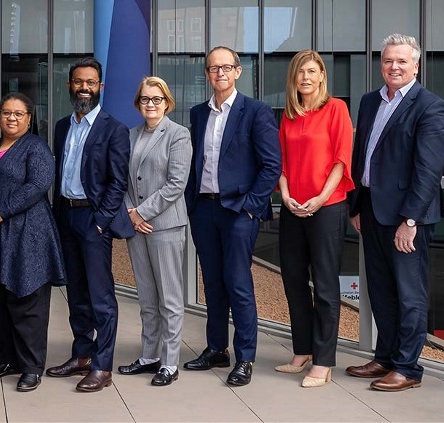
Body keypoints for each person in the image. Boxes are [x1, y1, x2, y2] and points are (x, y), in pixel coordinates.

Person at [345, 34, 444, 392]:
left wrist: (410, 221)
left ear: (416, 65)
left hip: (407, 219)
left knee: (409, 294)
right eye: (389, 61)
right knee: (381, 291)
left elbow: (428, 171)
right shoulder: (369, 101)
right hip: (372, 211)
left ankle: (407, 368)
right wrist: (356, 206)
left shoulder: (431, 106)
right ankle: (385, 357)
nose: (394, 67)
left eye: (402, 61)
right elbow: (362, 156)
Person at [182, 46, 281, 387]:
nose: (219, 73)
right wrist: (191, 203)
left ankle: (246, 357)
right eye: (213, 68)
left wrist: (252, 206)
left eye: (226, 67)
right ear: (207, 75)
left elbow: (271, 166)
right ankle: (216, 349)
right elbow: (196, 164)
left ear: (238, 71)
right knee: (211, 282)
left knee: (237, 282)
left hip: (240, 210)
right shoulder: (198, 114)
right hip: (205, 209)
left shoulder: (255, 111)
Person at [45, 57, 132, 393]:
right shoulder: (62, 126)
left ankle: (101, 365)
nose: (84, 87)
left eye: (90, 82)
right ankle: (81, 355)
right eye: (78, 82)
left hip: (92, 219)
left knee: (100, 297)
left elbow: (117, 183)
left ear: (101, 87)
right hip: (65, 216)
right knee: (77, 294)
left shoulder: (114, 129)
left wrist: (99, 223)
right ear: (70, 86)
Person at [0, 92, 65, 392]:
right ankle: (7, 358)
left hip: (28, 234)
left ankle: (31, 367)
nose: (11, 118)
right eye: (6, 113)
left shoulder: (36, 148)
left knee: (28, 301)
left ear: (29, 118)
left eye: (18, 114)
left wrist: (1, 212)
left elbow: (38, 186)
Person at [274, 50, 353, 388]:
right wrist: (286, 196)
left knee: (324, 284)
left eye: (311, 71)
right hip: (293, 207)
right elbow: (282, 162)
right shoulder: (289, 116)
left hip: (327, 207)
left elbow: (341, 159)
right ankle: (302, 350)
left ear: (321, 75)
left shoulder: (336, 109)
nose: (305, 77)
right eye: (299, 73)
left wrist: (321, 198)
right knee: (292, 281)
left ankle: (323, 360)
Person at [115, 77, 192, 387]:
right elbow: (121, 180)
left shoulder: (178, 135)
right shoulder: (130, 135)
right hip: (137, 225)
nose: (150, 104)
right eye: (145, 99)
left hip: (165, 225)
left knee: (170, 298)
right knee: (146, 296)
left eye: (156, 99)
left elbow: (176, 184)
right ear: (138, 103)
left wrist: (140, 212)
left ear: (167, 102)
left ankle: (170, 363)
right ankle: (149, 355)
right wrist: (131, 213)